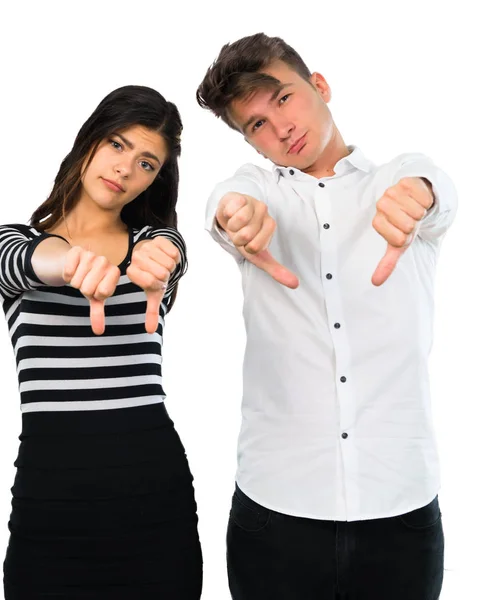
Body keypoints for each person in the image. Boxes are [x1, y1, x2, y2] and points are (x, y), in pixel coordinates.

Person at [197, 33, 457, 600]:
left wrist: (420, 195)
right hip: (274, 515)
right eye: (256, 126)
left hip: (401, 510)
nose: (279, 128)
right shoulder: (257, 190)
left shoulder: (397, 178)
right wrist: (233, 216)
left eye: (283, 100)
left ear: (319, 86)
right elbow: (227, 200)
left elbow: (433, 187)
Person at [0, 85, 202, 599]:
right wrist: (66, 259)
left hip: (155, 501)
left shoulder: (151, 251)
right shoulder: (10, 245)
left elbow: (169, 250)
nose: (126, 169)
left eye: (147, 163)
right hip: (51, 507)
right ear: (90, 141)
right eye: (118, 145)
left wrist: (167, 251)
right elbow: (30, 261)